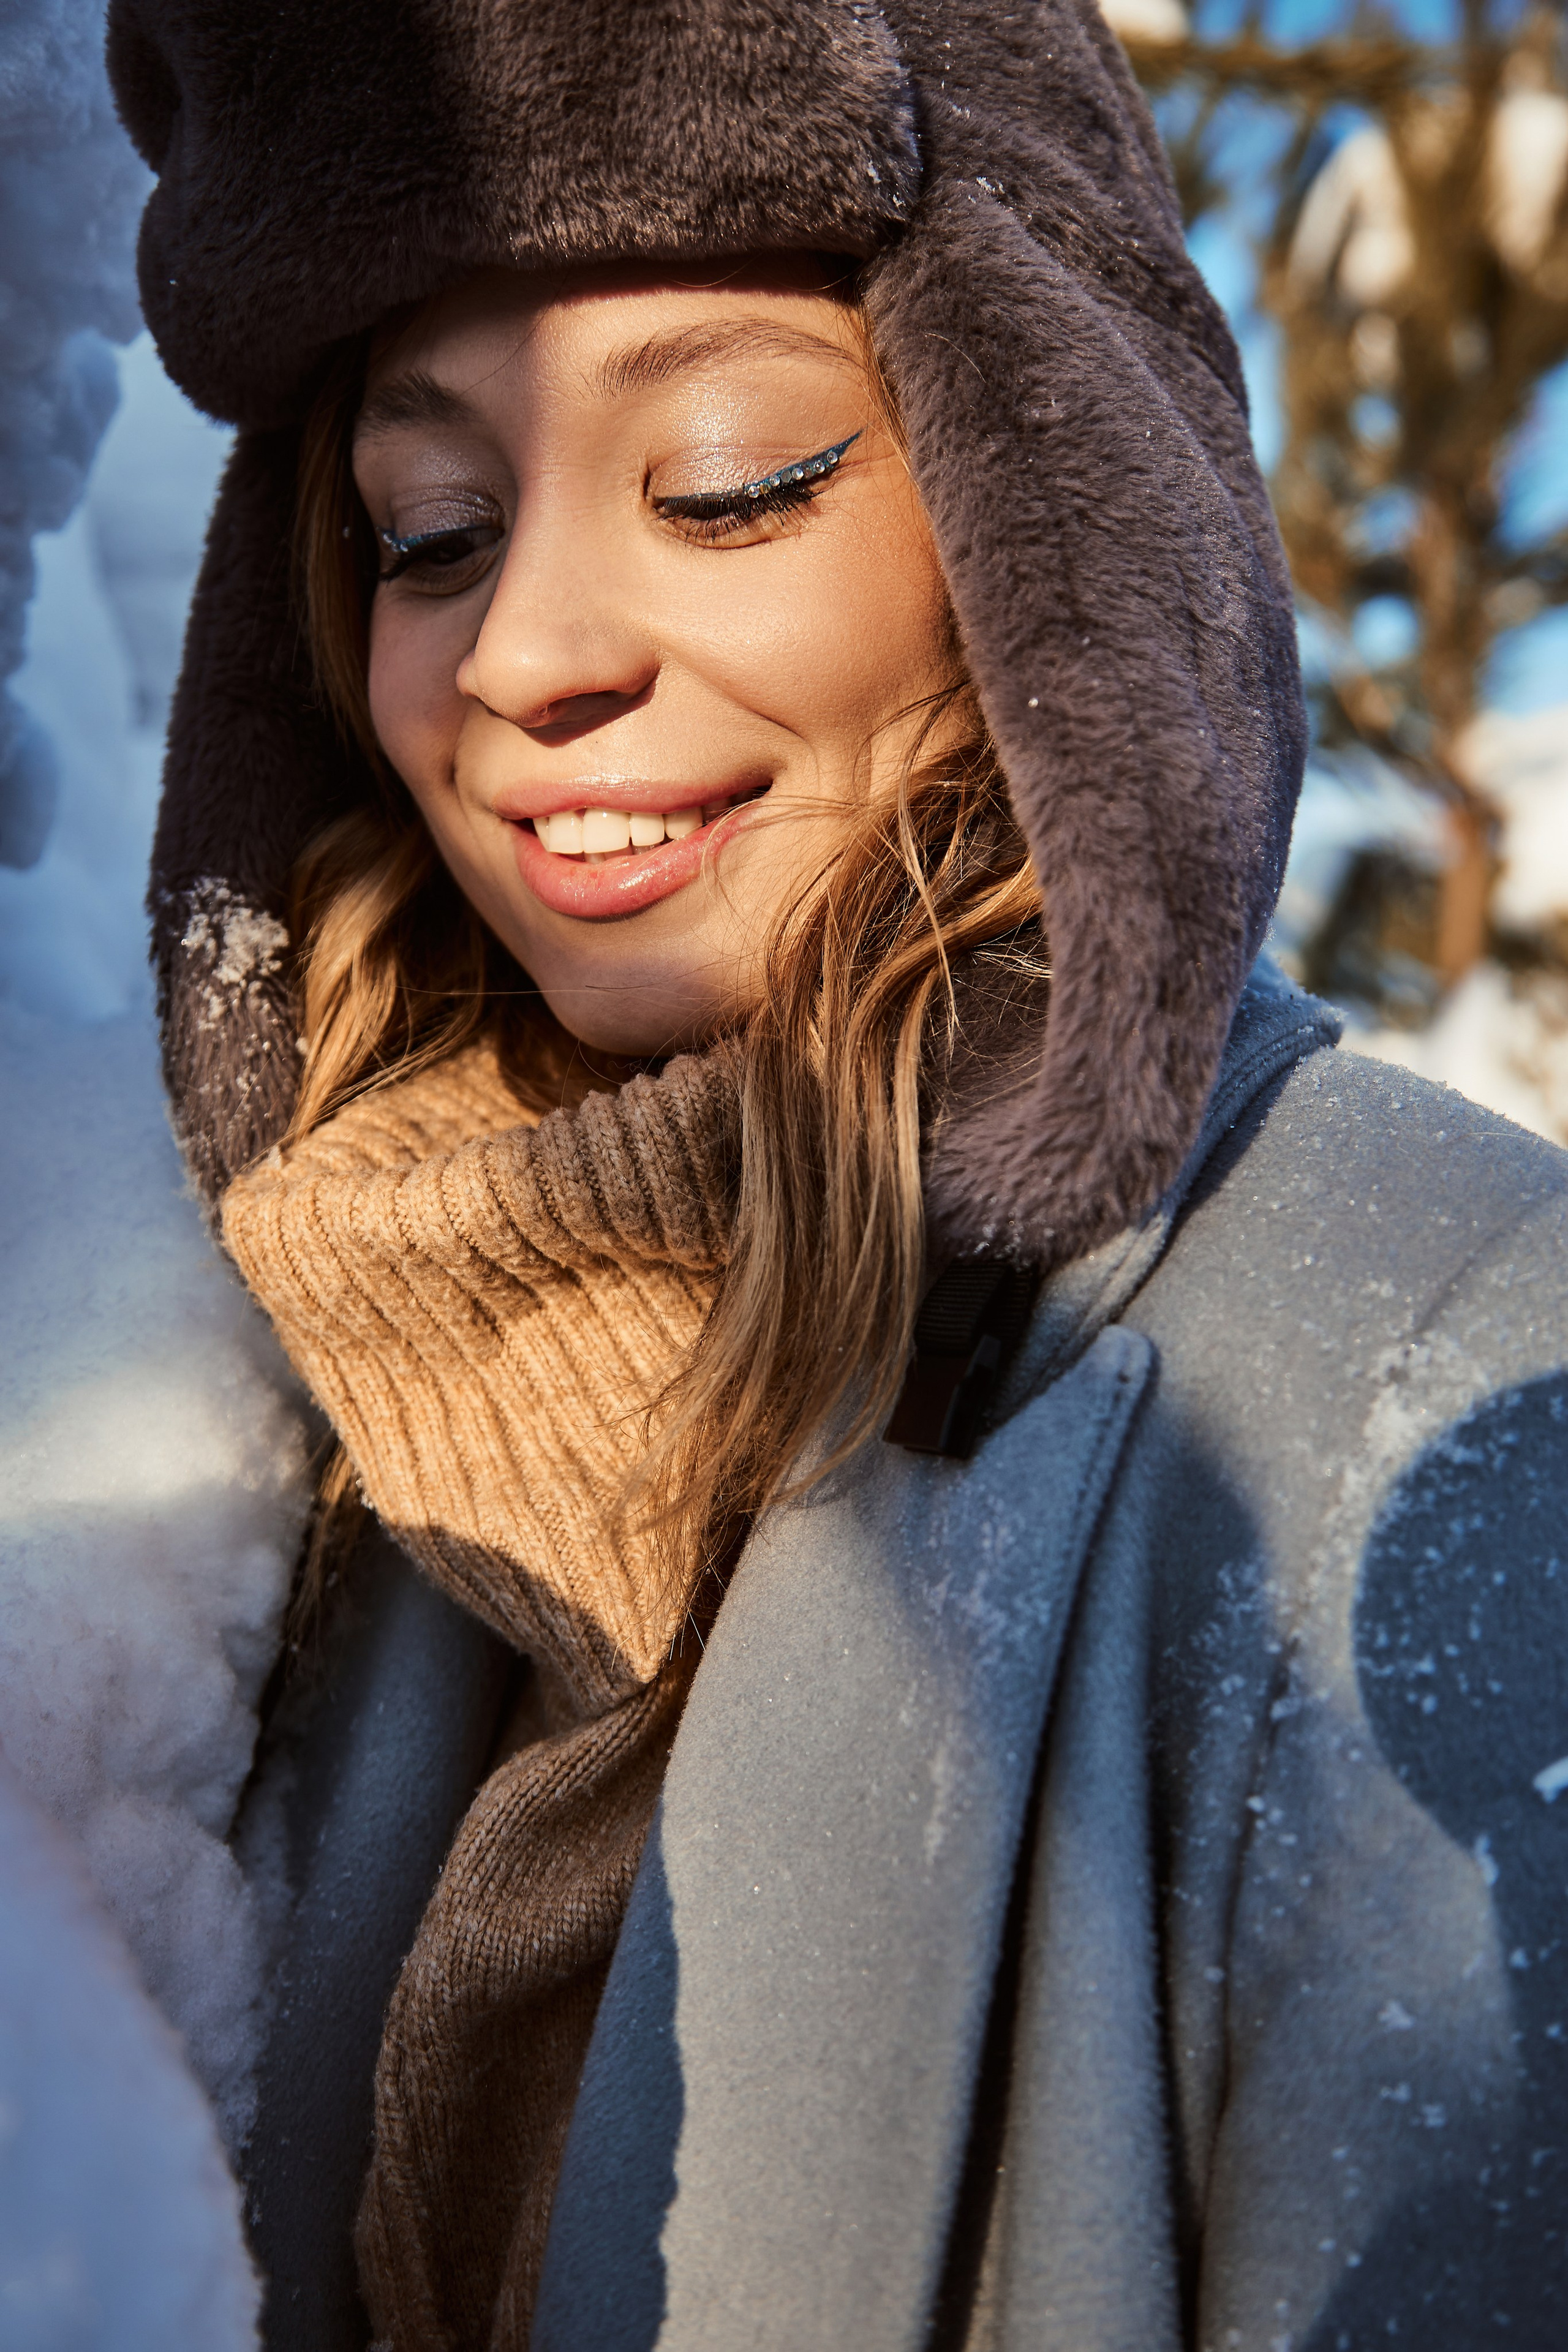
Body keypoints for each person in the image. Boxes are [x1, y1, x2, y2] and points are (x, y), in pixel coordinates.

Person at [107, 1, 1568, 2346]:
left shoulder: (1467, 1373)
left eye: (728, 477)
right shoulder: (310, 1432)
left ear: (1042, 514)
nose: (526, 656)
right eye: (431, 531)